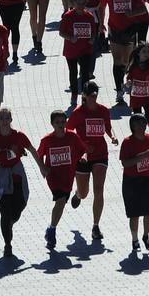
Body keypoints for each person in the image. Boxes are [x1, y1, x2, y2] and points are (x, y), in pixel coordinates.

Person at [0, 106, 40, 257]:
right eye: (1, 118)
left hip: (16, 173)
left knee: (20, 204)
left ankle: (11, 221)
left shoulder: (19, 135)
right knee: (4, 212)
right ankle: (7, 243)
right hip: (2, 174)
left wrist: (42, 167)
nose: (4, 121)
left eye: (6, 118)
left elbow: (32, 150)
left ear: (11, 120)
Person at [66, 82, 117, 241]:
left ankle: (96, 226)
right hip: (83, 156)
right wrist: (80, 146)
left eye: (96, 95)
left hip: (100, 154)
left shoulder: (103, 110)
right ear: (85, 96)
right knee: (84, 192)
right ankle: (77, 194)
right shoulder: (78, 112)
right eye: (91, 96)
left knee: (99, 189)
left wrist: (113, 136)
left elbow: (108, 127)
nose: (94, 98)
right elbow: (68, 130)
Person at [36, 108, 87, 250]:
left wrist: (83, 157)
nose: (61, 124)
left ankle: (51, 228)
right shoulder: (47, 140)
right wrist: (42, 168)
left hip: (68, 175)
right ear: (52, 124)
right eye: (57, 122)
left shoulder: (72, 136)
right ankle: (52, 231)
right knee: (60, 200)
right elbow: (39, 155)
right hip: (53, 176)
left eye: (63, 122)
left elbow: (83, 150)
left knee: (62, 202)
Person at [119, 113, 149, 251]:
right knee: (134, 213)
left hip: (148, 179)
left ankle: (146, 236)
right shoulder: (127, 142)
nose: (142, 126)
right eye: (139, 123)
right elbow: (125, 163)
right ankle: (135, 239)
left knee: (148, 211)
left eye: (144, 123)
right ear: (133, 126)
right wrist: (142, 156)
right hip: (131, 181)